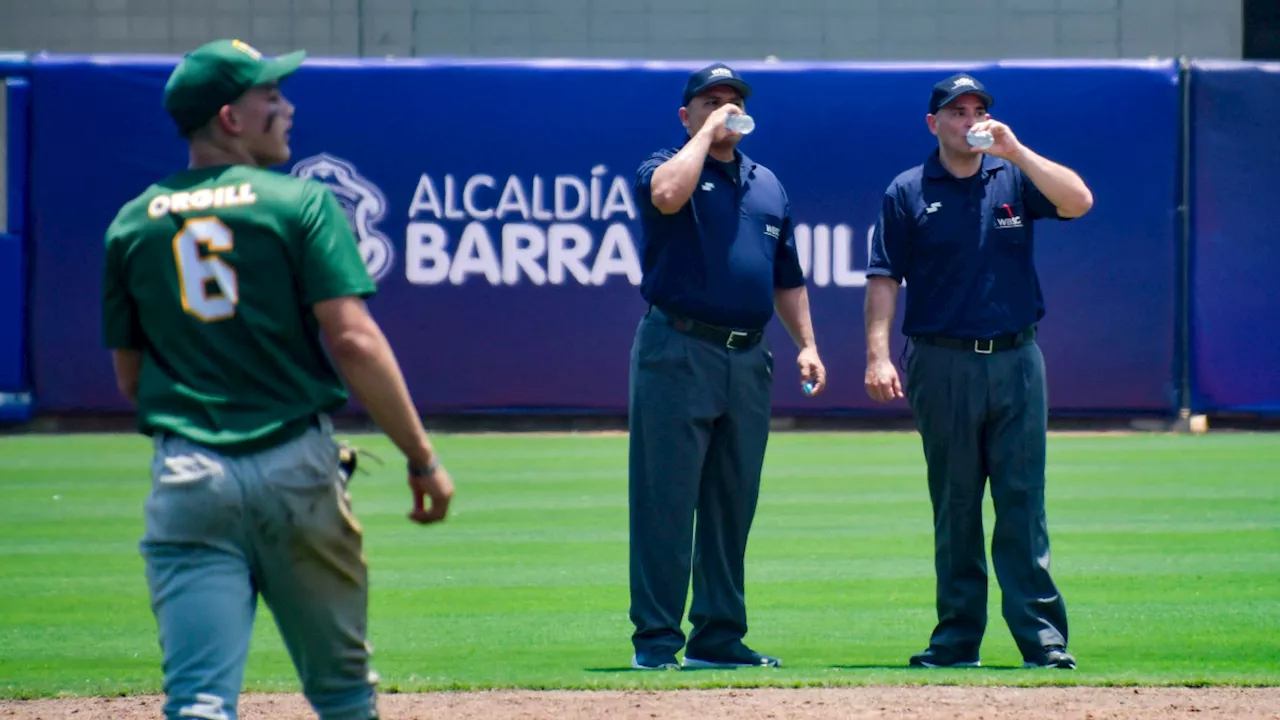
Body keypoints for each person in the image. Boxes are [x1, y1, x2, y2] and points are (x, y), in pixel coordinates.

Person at [100, 39, 455, 720]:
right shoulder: (299, 204)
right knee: (345, 695)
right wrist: (422, 458)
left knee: (199, 700)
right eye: (271, 95)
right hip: (296, 466)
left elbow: (130, 377)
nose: (286, 106)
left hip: (189, 473)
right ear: (231, 117)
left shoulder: (130, 224)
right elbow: (353, 340)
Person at [863, 73, 1093, 670]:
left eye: (977, 110)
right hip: (942, 362)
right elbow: (884, 277)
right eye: (956, 111)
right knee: (956, 505)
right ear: (933, 123)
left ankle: (1043, 640)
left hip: (1017, 359)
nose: (970, 120)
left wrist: (1015, 149)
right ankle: (957, 639)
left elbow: (1078, 201)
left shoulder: (1013, 174)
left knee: (1023, 503)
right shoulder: (908, 190)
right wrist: (877, 353)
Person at [627, 62, 826, 671]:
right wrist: (704, 135)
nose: (725, 108)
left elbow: (785, 278)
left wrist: (808, 344)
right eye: (711, 100)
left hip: (749, 356)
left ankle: (718, 637)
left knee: (732, 501)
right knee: (666, 498)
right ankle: (657, 641)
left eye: (733, 100)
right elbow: (667, 194)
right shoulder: (664, 164)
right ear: (685, 112)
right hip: (678, 348)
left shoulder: (767, 184)